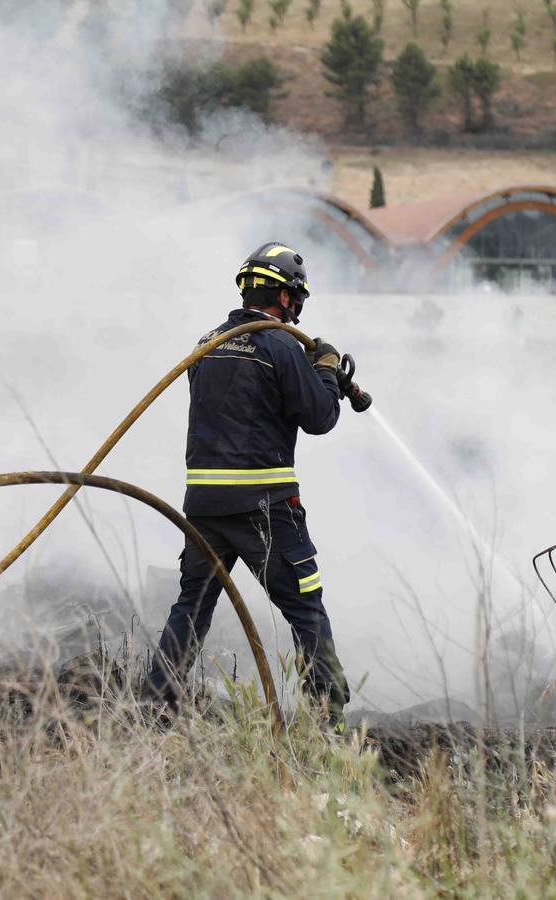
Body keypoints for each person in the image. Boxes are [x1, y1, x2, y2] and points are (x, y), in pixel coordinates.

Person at [145, 242, 351, 726]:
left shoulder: (208, 343)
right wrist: (324, 371)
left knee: (191, 605)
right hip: (266, 506)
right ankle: (329, 718)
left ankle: (156, 708)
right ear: (283, 297)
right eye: (295, 298)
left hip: (205, 505)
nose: (296, 308)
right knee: (306, 607)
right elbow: (319, 418)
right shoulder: (280, 346)